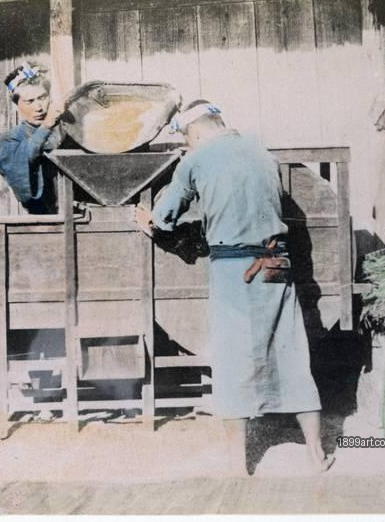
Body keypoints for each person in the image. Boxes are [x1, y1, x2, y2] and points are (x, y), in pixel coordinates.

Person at [135, 100, 334, 476]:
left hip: (233, 269)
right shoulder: (260, 151)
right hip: (276, 263)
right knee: (291, 353)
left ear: (193, 133)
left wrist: (151, 218)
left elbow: (165, 218)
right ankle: (315, 454)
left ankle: (236, 464)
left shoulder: (194, 160)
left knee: (233, 361)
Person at [0, 62, 65, 214]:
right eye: (30, 101)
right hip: (42, 219)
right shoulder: (10, 139)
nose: (38, 107)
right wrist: (46, 127)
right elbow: (24, 161)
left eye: (42, 97)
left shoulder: (67, 129)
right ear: (16, 106)